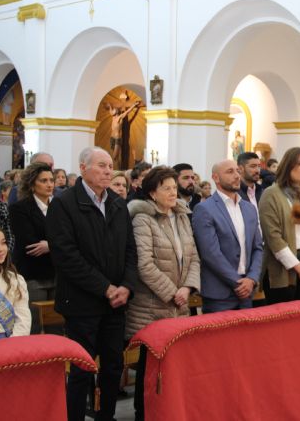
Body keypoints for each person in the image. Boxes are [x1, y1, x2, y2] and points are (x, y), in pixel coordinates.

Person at [46, 147, 138, 421]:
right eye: (101, 165)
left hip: (116, 304)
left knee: (112, 368)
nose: (108, 171)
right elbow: (66, 255)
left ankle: (105, 417)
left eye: (110, 166)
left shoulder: (118, 204)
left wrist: (126, 286)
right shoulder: (64, 204)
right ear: (83, 168)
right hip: (81, 303)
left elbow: (131, 252)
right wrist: (105, 287)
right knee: (81, 370)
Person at [127, 167, 200, 420]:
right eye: (166, 188)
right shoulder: (143, 219)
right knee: (149, 365)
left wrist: (187, 288)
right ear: (152, 193)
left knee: (173, 364)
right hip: (152, 304)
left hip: (178, 302)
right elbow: (144, 264)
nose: (172, 193)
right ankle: (142, 413)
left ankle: (168, 411)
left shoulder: (181, 216)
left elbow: (193, 258)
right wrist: (172, 293)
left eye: (173, 187)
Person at [192, 159, 262, 313]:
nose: (237, 175)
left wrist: (251, 279)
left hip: (247, 290)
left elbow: (257, 248)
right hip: (219, 292)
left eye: (237, 171)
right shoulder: (204, 209)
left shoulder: (249, 209)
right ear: (216, 178)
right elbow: (210, 253)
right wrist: (238, 282)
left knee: (245, 337)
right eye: (230, 172)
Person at [259, 147, 300, 303]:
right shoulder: (271, 194)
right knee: (283, 322)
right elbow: (273, 238)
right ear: (288, 165)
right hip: (283, 268)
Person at [8, 162, 56, 334]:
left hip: (57, 271)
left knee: (56, 323)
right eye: (44, 180)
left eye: (51, 180)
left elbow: (72, 237)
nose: (49, 184)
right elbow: (30, 243)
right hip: (32, 273)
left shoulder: (59, 206)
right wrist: (57, 244)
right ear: (32, 183)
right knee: (33, 322)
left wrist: (50, 245)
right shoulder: (19, 208)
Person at [0, 223, 30, 343]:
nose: (0, 249)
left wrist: (12, 345)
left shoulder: (16, 279)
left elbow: (23, 318)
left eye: (3, 242)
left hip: (12, 346)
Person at [106, 100, 141, 169]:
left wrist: (134, 105)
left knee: (115, 156)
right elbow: (110, 111)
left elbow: (128, 111)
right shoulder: (113, 117)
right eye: (113, 109)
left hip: (117, 138)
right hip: (112, 138)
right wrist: (109, 105)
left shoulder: (120, 117)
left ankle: (119, 169)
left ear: (117, 112)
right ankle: (118, 169)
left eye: (115, 109)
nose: (113, 110)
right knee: (115, 157)